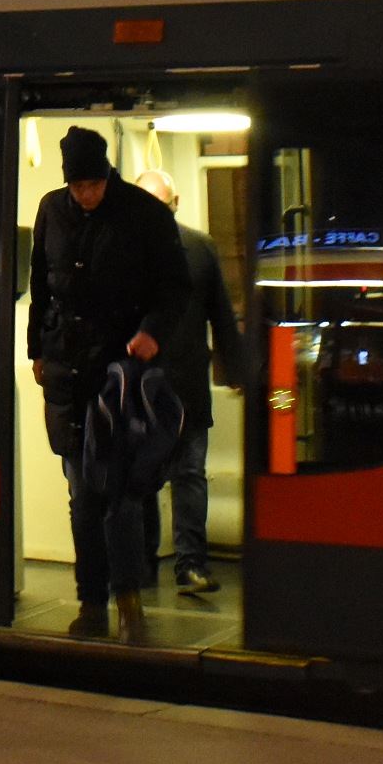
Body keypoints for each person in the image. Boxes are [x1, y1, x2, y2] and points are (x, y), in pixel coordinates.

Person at [28, 127, 188, 641]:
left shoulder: (145, 215)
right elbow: (39, 287)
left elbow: (174, 287)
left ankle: (129, 602)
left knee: (118, 493)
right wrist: (36, 349)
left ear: (107, 175)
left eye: (93, 184)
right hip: (67, 376)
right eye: (77, 186)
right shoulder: (51, 212)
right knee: (81, 494)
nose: (85, 195)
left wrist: (151, 334)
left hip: (119, 377)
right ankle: (92, 603)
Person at [134, 171, 246, 598]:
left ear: (175, 202)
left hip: (180, 384)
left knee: (187, 476)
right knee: (147, 480)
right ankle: (150, 564)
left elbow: (221, 312)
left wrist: (236, 369)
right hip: (142, 387)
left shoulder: (199, 248)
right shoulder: (128, 251)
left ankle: (188, 564)